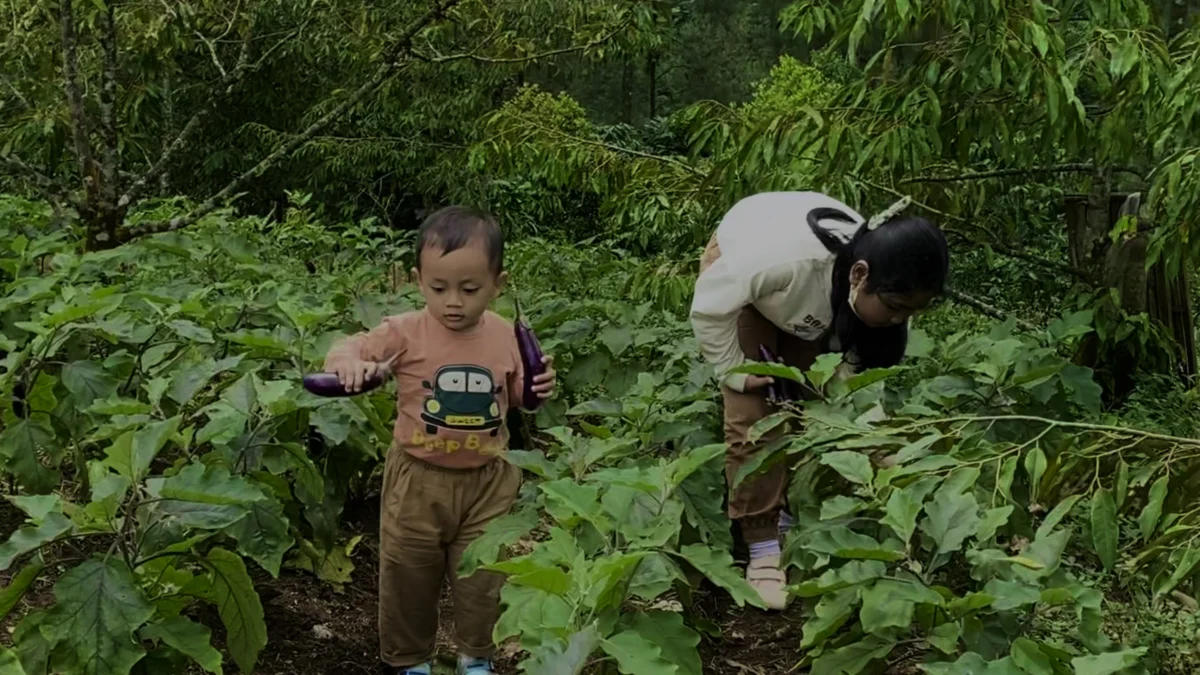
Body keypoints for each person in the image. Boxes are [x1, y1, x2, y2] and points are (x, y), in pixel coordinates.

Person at [323, 206, 557, 675]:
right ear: (417, 279)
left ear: (498, 283)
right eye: (438, 288)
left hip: (489, 481)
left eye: (470, 290)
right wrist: (346, 366)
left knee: (484, 578)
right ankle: (412, 662)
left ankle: (477, 658)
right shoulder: (405, 331)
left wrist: (535, 390)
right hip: (417, 479)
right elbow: (347, 348)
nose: (454, 301)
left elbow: (515, 397)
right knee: (408, 575)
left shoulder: (507, 335)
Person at [690, 191, 949, 610]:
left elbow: (853, 392)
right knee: (756, 413)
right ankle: (762, 548)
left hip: (808, 299)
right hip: (748, 282)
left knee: (805, 395)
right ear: (860, 275)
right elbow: (709, 309)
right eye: (896, 307)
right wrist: (733, 369)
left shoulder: (879, 293)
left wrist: (887, 453)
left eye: (911, 312)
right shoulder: (779, 262)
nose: (900, 320)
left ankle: (789, 514)